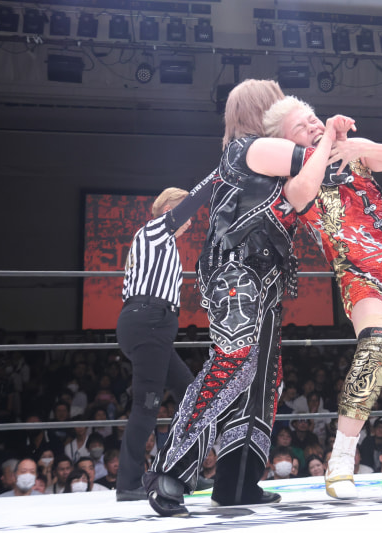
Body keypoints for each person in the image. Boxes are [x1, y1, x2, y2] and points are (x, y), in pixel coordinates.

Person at [144, 79, 355, 517]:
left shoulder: (266, 157)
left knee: (263, 382)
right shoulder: (248, 149)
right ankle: (169, 472)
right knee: (234, 363)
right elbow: (319, 163)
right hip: (236, 274)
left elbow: (318, 181)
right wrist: (327, 136)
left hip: (267, 280)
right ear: (263, 109)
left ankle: (236, 484)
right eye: (278, 105)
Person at [263, 95, 382, 499]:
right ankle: (341, 459)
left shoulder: (352, 154)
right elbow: (301, 194)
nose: (313, 125)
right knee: (377, 347)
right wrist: (327, 139)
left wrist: (360, 146)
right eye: (301, 126)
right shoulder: (294, 176)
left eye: (313, 118)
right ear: (285, 142)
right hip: (360, 274)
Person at [115, 174, 217, 503]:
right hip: (148, 322)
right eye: (184, 212)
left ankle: (180, 471)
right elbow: (190, 204)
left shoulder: (163, 243)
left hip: (153, 326)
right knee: (147, 405)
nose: (190, 221)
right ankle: (128, 483)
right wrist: (219, 175)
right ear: (169, 209)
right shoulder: (156, 230)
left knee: (190, 394)